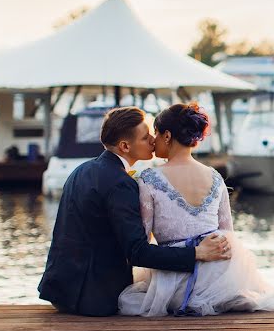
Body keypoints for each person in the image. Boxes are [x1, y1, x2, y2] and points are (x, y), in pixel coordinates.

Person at [118, 102, 274, 316]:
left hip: (174, 275)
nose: (153, 142)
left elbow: (144, 240)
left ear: (167, 136)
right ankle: (228, 297)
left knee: (137, 298)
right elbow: (228, 233)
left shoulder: (149, 178)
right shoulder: (215, 176)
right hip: (220, 274)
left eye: (156, 133)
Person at [38, 106, 231, 316]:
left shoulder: (81, 170)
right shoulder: (120, 183)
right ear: (124, 146)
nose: (152, 140)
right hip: (93, 299)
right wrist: (196, 253)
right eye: (145, 137)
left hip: (60, 291)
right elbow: (137, 252)